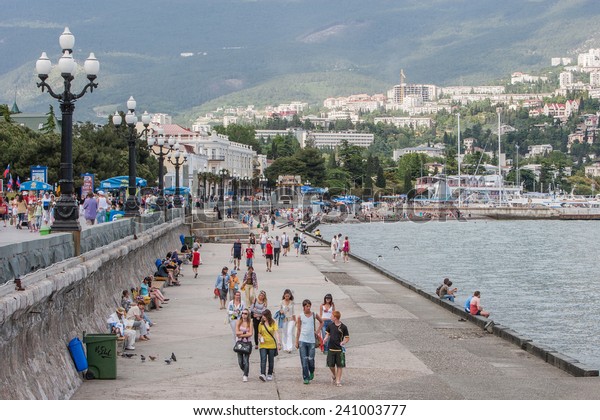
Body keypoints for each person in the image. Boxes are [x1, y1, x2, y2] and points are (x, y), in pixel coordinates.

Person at [295, 299, 324, 384]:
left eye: (309, 306)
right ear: (303, 307)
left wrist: (317, 331)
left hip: (311, 341)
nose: (308, 308)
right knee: (304, 360)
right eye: (307, 306)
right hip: (302, 340)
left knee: (311, 359)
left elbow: (321, 322)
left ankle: (311, 371)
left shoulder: (314, 315)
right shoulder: (300, 316)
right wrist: (297, 341)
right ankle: (305, 378)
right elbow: (298, 329)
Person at [324, 310, 350, 387]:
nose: (330, 317)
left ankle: (338, 380)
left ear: (335, 317)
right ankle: (334, 375)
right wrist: (325, 339)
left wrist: (344, 342)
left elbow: (347, 338)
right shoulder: (330, 325)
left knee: (339, 365)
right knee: (330, 365)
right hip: (331, 348)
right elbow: (327, 334)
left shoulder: (344, 327)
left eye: (332, 316)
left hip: (339, 349)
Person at [258, 309, 281, 382]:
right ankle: (263, 374)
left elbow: (276, 332)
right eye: (262, 316)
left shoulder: (273, 323)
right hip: (263, 344)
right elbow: (259, 333)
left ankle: (270, 373)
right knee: (263, 359)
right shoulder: (261, 324)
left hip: (271, 344)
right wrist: (260, 338)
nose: (263, 317)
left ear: (268, 315)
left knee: (271, 360)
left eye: (264, 316)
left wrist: (279, 342)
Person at [235, 309, 253, 382]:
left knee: (246, 360)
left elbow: (250, 333)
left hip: (247, 343)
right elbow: (236, 333)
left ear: (248, 315)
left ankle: (245, 375)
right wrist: (245, 332)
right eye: (243, 313)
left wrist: (241, 334)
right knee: (240, 361)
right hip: (239, 343)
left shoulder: (250, 322)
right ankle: (245, 370)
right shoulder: (238, 322)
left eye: (245, 313)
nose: (244, 315)